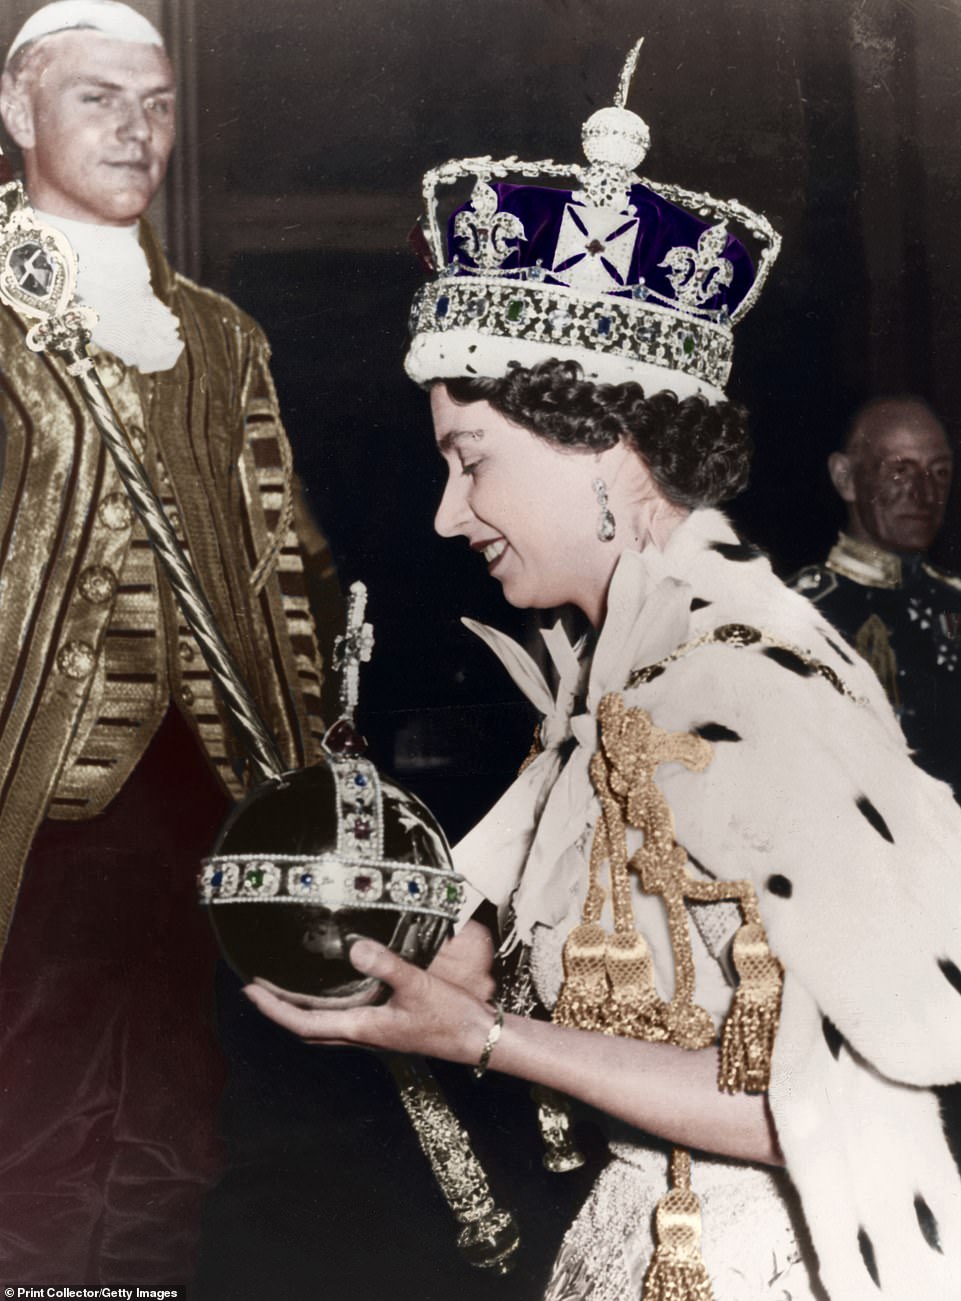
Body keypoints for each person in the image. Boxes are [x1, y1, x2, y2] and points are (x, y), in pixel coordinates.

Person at [248, 45, 961, 1301]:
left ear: (606, 446)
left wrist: (487, 1034)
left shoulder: (750, 683)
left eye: (470, 457)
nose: (446, 514)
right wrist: (469, 979)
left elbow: (835, 1100)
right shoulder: (626, 669)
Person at [0, 0, 338, 1285]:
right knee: (31, 1128)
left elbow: (287, 560)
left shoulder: (220, 332)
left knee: (177, 1133)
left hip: (211, 798)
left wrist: (314, 757)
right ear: (20, 110)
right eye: (100, 98)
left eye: (156, 103)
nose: (138, 131)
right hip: (32, 797)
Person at [791, 396, 961, 795]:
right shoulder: (799, 613)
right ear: (845, 478)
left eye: (939, 472)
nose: (924, 492)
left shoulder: (953, 600)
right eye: (900, 471)